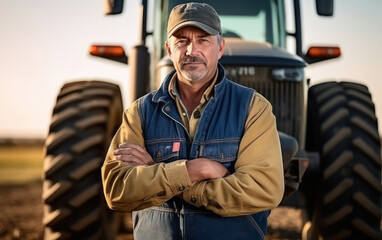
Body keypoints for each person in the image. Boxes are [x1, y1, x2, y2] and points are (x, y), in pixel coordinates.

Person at [101, 2, 284, 240]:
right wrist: (197, 170)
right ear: (169, 49)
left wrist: (161, 175)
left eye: (203, 40)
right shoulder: (140, 112)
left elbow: (263, 189)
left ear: (220, 48)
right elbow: (117, 189)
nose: (191, 50)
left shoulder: (253, 108)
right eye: (182, 41)